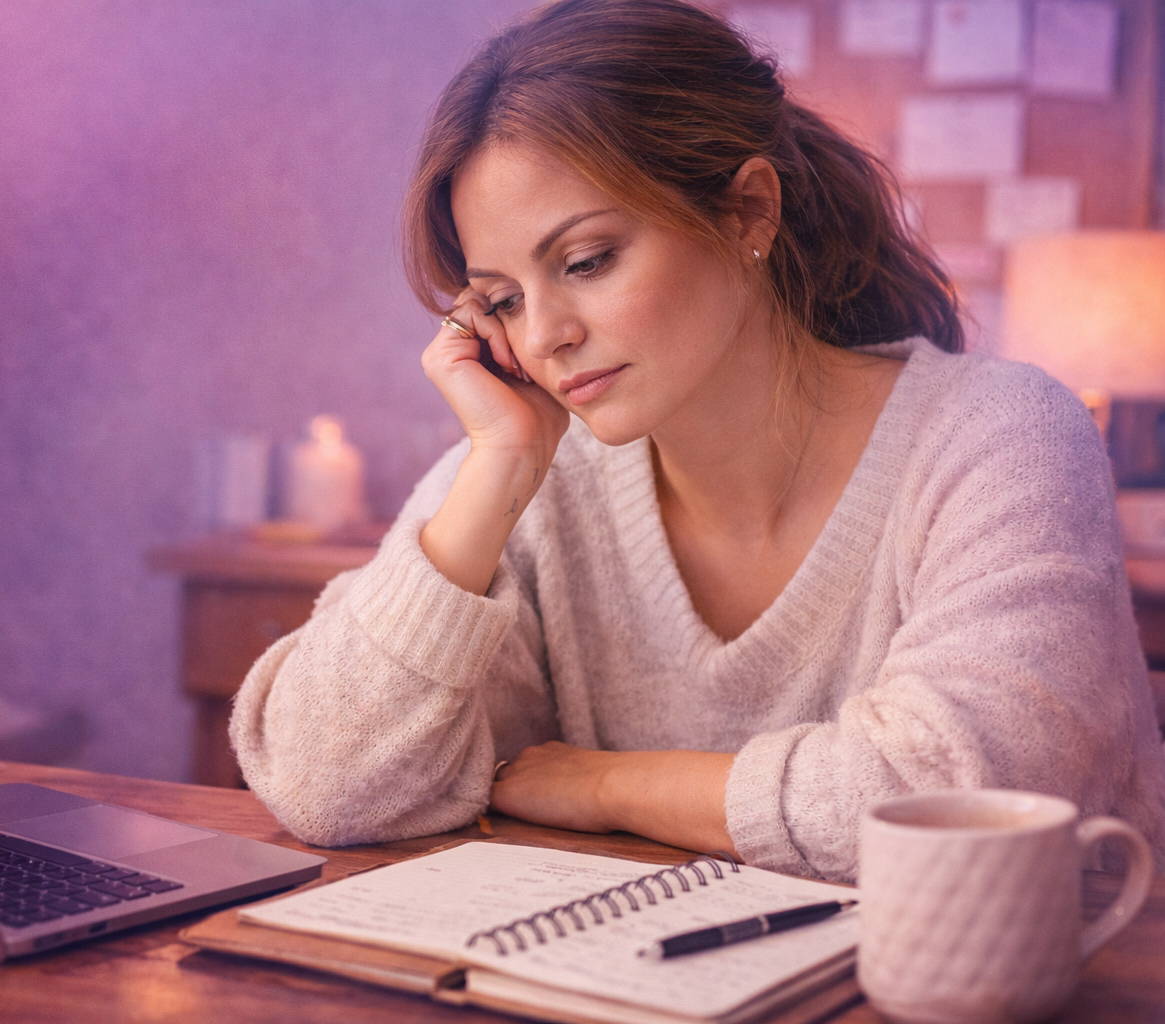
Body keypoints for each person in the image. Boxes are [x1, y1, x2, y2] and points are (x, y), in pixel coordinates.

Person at [229, 0, 1165, 880]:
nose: (545, 333)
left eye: (588, 261)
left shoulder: (1002, 435)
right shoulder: (539, 475)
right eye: (504, 300)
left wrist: (604, 782)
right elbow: (324, 782)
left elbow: (970, 798)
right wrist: (499, 468)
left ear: (749, 210)